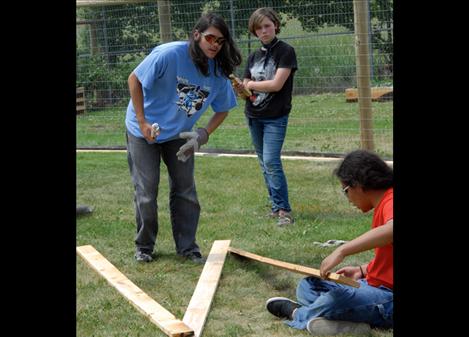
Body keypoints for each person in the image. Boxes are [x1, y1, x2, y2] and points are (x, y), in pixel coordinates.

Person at [125, 13, 242, 264]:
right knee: (146, 191)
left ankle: (188, 248)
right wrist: (143, 121)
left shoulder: (218, 72)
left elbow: (223, 108)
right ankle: (144, 246)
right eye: (210, 38)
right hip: (143, 130)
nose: (215, 45)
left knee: (185, 190)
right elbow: (134, 79)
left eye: (220, 41)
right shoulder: (170, 54)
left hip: (179, 134)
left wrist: (203, 134)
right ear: (196, 35)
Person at [265, 150, 393, 335]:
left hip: (389, 298)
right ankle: (347, 324)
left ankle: (297, 313)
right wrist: (362, 270)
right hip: (374, 286)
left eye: (345, 191)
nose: (348, 199)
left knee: (337, 299)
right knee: (309, 285)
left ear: (357, 185)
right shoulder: (384, 202)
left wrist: (342, 251)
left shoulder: (391, 199)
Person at [232, 7, 298, 226]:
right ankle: (275, 205)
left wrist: (250, 84)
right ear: (254, 31)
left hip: (275, 116)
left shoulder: (286, 52)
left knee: (271, 160)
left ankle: (285, 211)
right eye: (259, 28)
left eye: (267, 26)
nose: (264, 31)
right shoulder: (253, 56)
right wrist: (240, 88)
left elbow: (277, 84)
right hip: (253, 115)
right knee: (263, 162)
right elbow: (246, 89)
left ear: (275, 25)